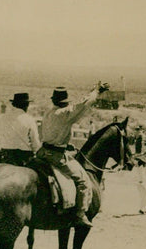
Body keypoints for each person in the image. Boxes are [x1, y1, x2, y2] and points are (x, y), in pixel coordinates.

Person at [38, 84, 107, 227]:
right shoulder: (65, 113)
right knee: (83, 181)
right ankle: (80, 215)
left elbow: (50, 134)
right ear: (65, 102)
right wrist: (96, 91)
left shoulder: (48, 113)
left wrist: (64, 144)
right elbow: (84, 104)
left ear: (54, 100)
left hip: (42, 152)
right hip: (56, 155)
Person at [0, 92, 41, 166]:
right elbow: (35, 144)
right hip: (23, 157)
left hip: (5, 155)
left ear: (13, 104)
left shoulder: (2, 117)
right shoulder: (29, 119)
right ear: (27, 105)